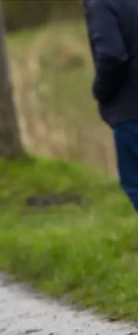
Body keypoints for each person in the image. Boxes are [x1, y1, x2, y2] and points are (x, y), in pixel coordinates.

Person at [84, 0, 138, 213]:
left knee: (134, 184)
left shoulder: (101, 5)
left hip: (130, 113)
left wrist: (100, 92)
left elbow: (111, 56)